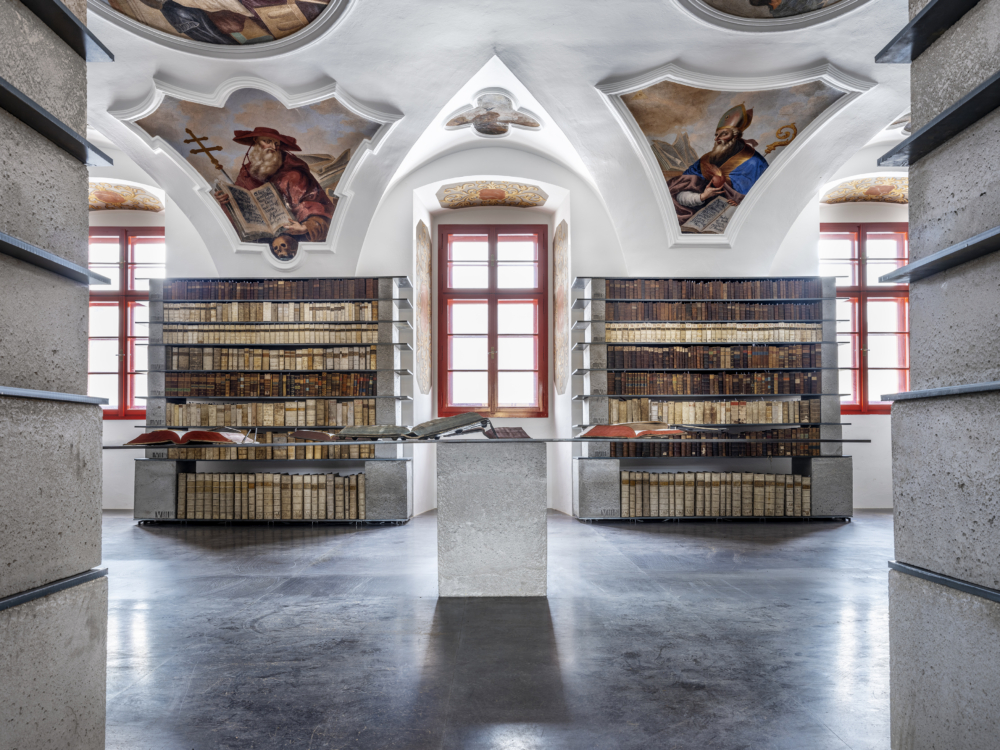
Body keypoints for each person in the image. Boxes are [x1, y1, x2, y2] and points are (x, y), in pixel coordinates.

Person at [215, 127, 335, 246]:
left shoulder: (294, 175)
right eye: (267, 142)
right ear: (256, 141)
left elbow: (313, 204)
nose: (272, 147)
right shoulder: (246, 172)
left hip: (291, 237)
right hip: (257, 238)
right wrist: (227, 200)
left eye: (276, 143)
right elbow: (240, 204)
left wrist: (305, 227)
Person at [667, 104, 769, 226]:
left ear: (735, 136)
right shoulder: (705, 160)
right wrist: (702, 196)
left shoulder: (755, 162)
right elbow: (680, 189)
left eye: (724, 134)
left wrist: (740, 201)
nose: (717, 139)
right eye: (716, 135)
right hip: (698, 215)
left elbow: (763, 198)